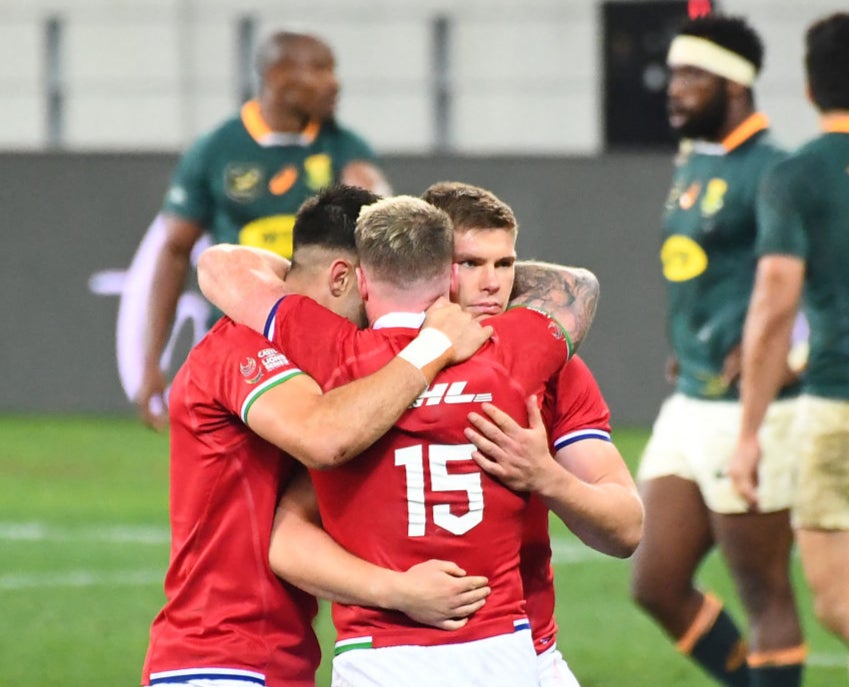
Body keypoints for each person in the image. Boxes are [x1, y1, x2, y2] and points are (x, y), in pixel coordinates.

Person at [202, 193, 600, 686]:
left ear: (362, 279)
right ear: (450, 277)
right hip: (499, 645)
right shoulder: (511, 355)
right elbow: (579, 290)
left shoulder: (332, 354)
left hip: (381, 653)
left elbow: (219, 267)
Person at [141, 187, 494, 687]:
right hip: (215, 658)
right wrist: (434, 346)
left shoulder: (334, 371)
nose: (376, 308)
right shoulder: (239, 345)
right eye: (374, 285)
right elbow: (324, 438)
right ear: (344, 277)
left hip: (277, 658)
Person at [730, 12, 849, 687]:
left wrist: (748, 431)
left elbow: (775, 302)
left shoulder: (799, 173)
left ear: (807, 89)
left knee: (842, 604)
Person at [629, 15, 806, 687]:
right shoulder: (693, 164)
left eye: (690, 75)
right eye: (672, 73)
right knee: (654, 582)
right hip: (690, 400)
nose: (672, 89)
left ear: (735, 86)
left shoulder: (775, 170)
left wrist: (798, 351)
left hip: (752, 411)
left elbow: (815, 277)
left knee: (764, 594)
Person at [421, 181, 643, 686]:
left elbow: (626, 527)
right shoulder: (373, 358)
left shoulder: (550, 365)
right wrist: (391, 589)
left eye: (504, 265)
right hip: (406, 653)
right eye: (470, 263)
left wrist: (548, 477)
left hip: (529, 652)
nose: (493, 283)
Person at [136, 30, 391, 430]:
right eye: (320, 70)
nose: (334, 82)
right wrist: (150, 361)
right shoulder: (217, 149)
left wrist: (377, 194)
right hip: (242, 345)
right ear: (278, 75)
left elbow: (383, 250)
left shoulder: (346, 148)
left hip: (321, 349)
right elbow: (174, 251)